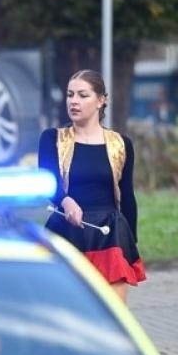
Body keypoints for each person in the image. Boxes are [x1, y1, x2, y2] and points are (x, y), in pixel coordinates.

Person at [38, 70, 144, 304]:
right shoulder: (52, 139)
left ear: (101, 100)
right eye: (70, 94)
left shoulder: (120, 144)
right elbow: (48, 180)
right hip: (66, 230)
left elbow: (127, 195)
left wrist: (131, 242)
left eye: (82, 95)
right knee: (68, 312)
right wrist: (65, 200)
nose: (74, 101)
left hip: (109, 235)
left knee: (114, 314)